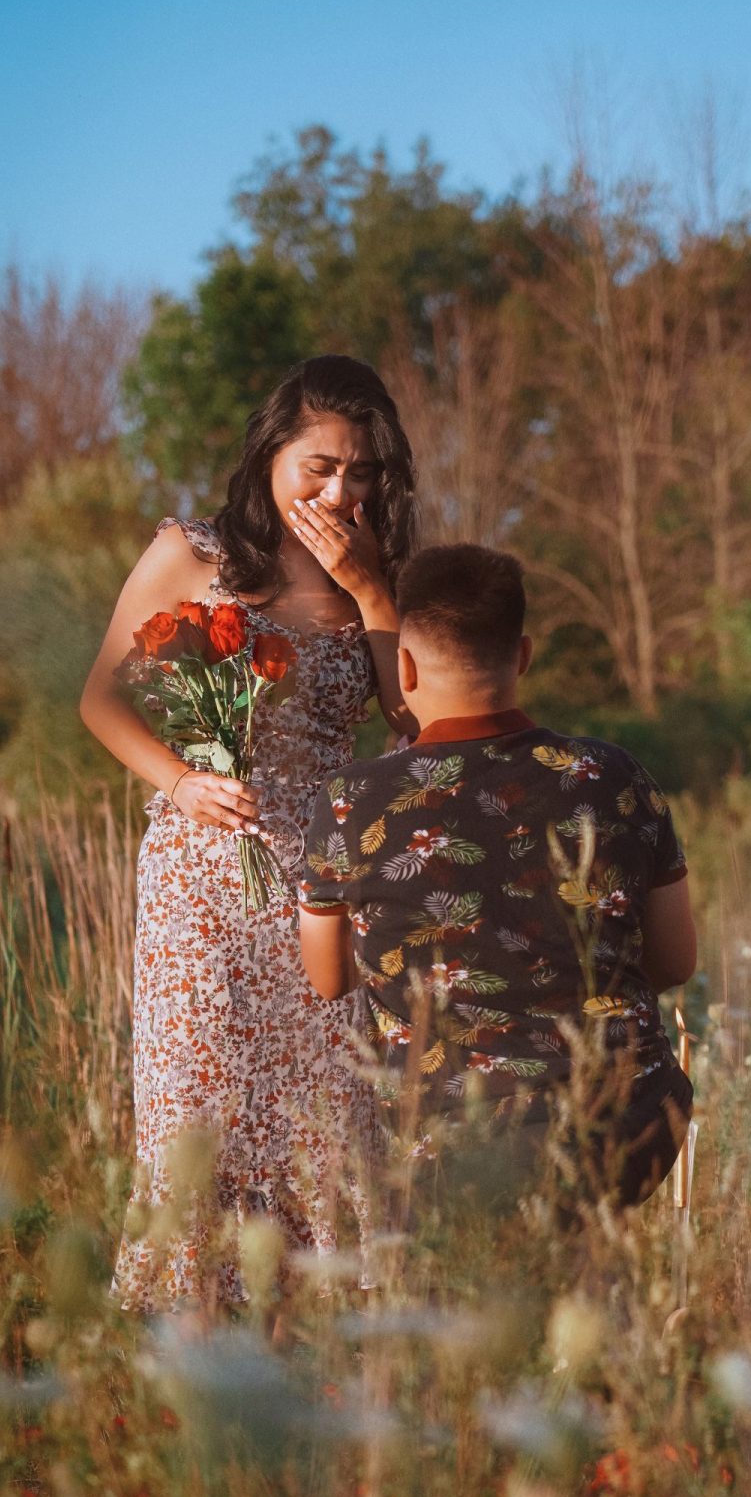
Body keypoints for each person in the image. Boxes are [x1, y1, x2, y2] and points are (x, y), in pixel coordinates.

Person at [80, 355, 418, 1308]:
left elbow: (414, 730)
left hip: (318, 886)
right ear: (271, 456)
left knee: (324, 1118)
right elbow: (100, 700)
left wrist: (375, 596)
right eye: (318, 466)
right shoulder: (193, 554)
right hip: (199, 873)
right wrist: (182, 781)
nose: (339, 489)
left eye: (360, 472)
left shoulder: (381, 582)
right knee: (197, 1108)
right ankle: (185, 1360)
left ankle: (314, 1347)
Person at [297, 543, 697, 1216]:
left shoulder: (350, 800)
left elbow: (330, 978)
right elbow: (675, 960)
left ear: (404, 666)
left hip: (452, 1138)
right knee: (580, 1270)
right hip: (626, 1121)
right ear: (523, 656)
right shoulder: (614, 775)